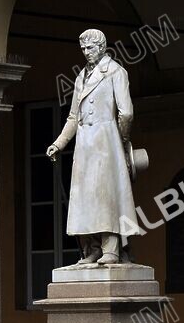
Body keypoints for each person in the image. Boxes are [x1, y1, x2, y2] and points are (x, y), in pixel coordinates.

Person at [46, 30, 138, 265]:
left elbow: (126, 112)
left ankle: (111, 248)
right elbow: (73, 117)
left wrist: (122, 140)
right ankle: (92, 248)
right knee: (85, 196)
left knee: (105, 194)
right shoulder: (81, 78)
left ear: (102, 47)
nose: (86, 52)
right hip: (85, 144)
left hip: (107, 140)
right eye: (83, 49)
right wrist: (59, 143)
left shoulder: (116, 72)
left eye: (90, 48)